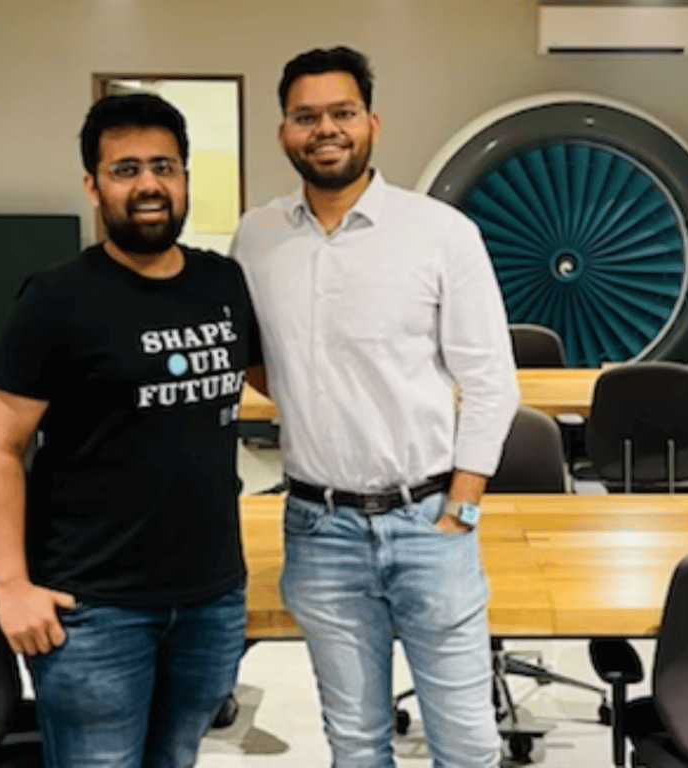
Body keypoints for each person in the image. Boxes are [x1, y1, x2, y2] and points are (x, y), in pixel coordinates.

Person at [231, 47, 519, 768]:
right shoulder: (257, 237)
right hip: (318, 528)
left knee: (468, 746)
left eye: (343, 112)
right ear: (284, 132)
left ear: (372, 124)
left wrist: (462, 507)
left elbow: (492, 380)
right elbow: (255, 356)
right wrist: (308, 394)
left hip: (429, 522)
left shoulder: (440, 232)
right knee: (356, 744)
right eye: (306, 117)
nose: (325, 129)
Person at [0, 92, 261, 768]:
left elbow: (285, 380)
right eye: (125, 170)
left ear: (185, 177)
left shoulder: (223, 282)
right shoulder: (56, 297)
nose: (148, 184)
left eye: (164, 166)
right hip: (94, 607)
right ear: (93, 185)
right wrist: (12, 585)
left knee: (176, 759)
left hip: (210, 598)